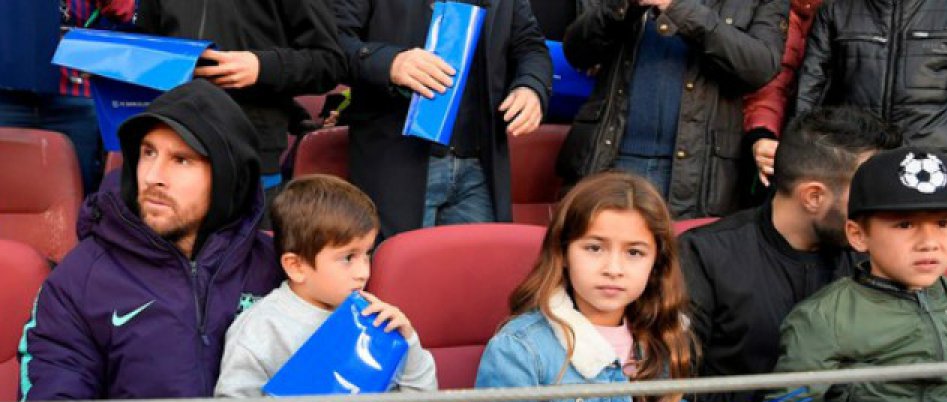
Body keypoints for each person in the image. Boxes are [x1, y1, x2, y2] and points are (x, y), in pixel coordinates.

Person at [15, 79, 439, 402]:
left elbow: (355, 362)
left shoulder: (282, 268)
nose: (154, 175)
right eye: (148, 153)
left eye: (181, 160)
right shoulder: (81, 279)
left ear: (227, 173)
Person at [462, 172, 732, 402]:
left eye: (634, 252)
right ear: (563, 253)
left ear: (656, 264)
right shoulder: (520, 348)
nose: (614, 268)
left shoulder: (656, 334)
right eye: (594, 248)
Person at [677, 107, 900, 402]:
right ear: (814, 196)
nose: (879, 204)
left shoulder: (869, 252)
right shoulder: (704, 256)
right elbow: (670, 386)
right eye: (866, 189)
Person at [211, 174, 450, 402]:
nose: (363, 272)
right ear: (296, 266)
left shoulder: (373, 316)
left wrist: (409, 341)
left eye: (367, 253)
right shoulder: (260, 328)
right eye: (347, 258)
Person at [764, 147, 947, 402]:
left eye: (944, 223)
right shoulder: (825, 317)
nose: (929, 242)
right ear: (858, 234)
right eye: (904, 225)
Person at [336, 0, 552, 239]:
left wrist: (531, 86)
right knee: (399, 271)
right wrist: (390, 62)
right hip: (397, 162)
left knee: (479, 272)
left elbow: (530, 46)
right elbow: (332, 44)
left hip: (479, 164)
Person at [557, 0, 788, 218]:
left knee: (681, 257)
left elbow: (761, 67)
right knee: (595, 253)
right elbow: (577, 52)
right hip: (608, 155)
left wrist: (678, 7)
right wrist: (622, 5)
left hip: (696, 171)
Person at [135, 0, 347, 197]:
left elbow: (329, 62)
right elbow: (145, 47)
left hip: (250, 146)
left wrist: (262, 67)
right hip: (172, 136)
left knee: (245, 235)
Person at [0, 0, 136, 193]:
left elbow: (127, 16)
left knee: (77, 191)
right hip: (8, 90)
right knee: (9, 193)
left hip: (78, 90)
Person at [796, 0, 947, 158]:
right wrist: (799, 148)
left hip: (934, 158)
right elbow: (811, 86)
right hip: (852, 154)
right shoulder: (836, 8)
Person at [742, 0, 823, 189]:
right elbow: (772, 84)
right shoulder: (776, 11)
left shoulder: (848, 11)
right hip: (780, 141)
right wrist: (762, 133)